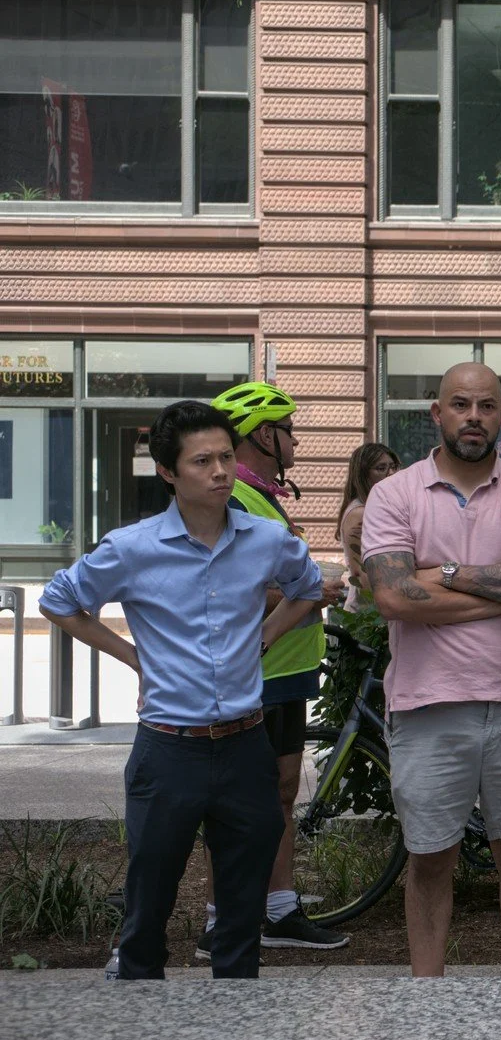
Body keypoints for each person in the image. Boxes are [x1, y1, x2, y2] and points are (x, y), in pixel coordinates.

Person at [41, 401, 324, 979]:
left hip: (247, 746)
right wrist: (134, 658)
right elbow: (60, 600)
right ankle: (144, 1033)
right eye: (202, 461)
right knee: (148, 910)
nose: (220, 471)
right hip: (168, 750)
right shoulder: (133, 547)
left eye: (225, 456)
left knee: (242, 922)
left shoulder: (266, 539)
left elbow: (308, 586)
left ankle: (236, 1038)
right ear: (168, 472)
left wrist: (261, 640)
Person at [361, 362, 501, 977]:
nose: (473, 417)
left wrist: (442, 573)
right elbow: (395, 598)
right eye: (460, 405)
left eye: (485, 406)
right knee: (429, 858)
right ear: (438, 414)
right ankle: (427, 997)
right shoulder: (394, 494)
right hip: (428, 704)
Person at [193, 381, 351, 956]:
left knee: (282, 792)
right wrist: (309, 592)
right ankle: (220, 920)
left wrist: (309, 589)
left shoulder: (262, 496)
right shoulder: (232, 498)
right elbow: (222, 591)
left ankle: (280, 912)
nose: (297, 440)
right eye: (289, 429)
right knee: (236, 799)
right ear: (265, 433)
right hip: (249, 671)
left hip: (284, 670)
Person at [336, 442, 401, 608]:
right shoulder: (360, 513)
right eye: (381, 468)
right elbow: (362, 576)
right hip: (368, 615)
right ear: (363, 474)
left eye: (393, 467)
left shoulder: (376, 507)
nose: (391, 473)